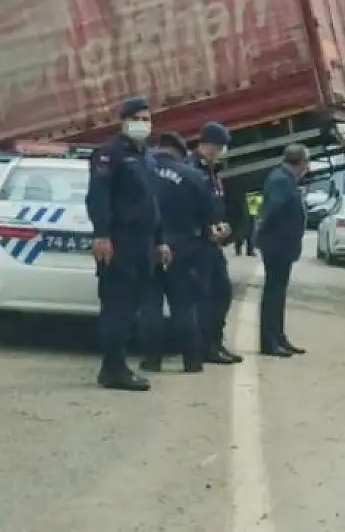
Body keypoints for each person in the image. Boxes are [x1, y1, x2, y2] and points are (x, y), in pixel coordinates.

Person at [86, 97, 170, 391]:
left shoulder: (147, 157)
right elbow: (99, 197)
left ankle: (117, 365)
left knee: (131, 307)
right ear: (124, 121)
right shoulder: (109, 155)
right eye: (138, 118)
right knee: (117, 307)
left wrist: (160, 241)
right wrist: (102, 234)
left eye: (148, 118)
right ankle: (113, 368)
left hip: (143, 244)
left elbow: (153, 203)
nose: (144, 124)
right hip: (118, 242)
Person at [140, 132, 209, 374]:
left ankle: (151, 360)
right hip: (182, 248)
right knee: (184, 306)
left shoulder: (142, 172)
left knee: (150, 306)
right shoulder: (193, 177)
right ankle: (191, 360)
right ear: (180, 152)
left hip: (147, 247)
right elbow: (206, 215)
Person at [186, 122, 242, 365]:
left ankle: (215, 343)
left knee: (222, 293)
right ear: (207, 145)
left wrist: (223, 226)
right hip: (198, 243)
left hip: (212, 243)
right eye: (219, 147)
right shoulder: (191, 169)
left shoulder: (211, 170)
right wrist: (206, 228)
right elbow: (187, 206)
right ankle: (205, 347)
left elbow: (215, 203)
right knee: (206, 297)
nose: (222, 152)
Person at [254, 144, 310, 357]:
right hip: (276, 246)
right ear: (301, 162)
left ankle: (278, 336)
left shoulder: (286, 179)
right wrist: (266, 236)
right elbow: (271, 212)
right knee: (273, 294)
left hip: (281, 245)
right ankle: (270, 341)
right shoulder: (281, 180)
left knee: (278, 293)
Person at [241, 189, 263, 256]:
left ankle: (242, 248)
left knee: (248, 231)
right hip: (252, 212)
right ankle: (249, 250)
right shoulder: (257, 194)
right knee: (251, 232)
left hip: (250, 212)